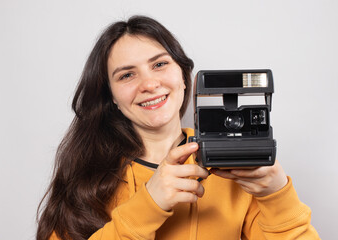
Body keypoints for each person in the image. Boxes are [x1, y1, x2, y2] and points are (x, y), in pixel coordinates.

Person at [37, 15, 320, 240]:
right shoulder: (87, 172)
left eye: (159, 64)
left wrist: (277, 195)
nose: (149, 84)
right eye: (127, 75)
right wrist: (149, 204)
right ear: (111, 96)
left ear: (185, 78)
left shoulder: (238, 170)